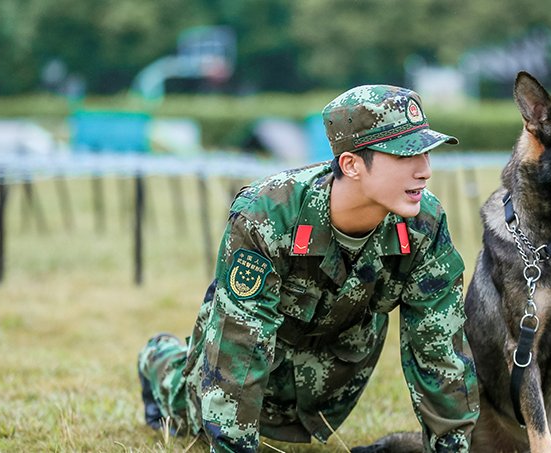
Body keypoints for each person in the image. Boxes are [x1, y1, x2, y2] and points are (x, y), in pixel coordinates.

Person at [137, 85, 480, 452]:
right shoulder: (268, 215)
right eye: (404, 156)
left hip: (333, 371)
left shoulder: (423, 224)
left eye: (426, 153)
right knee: (189, 413)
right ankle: (158, 357)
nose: (425, 171)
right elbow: (239, 346)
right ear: (351, 164)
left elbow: (440, 348)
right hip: (255, 355)